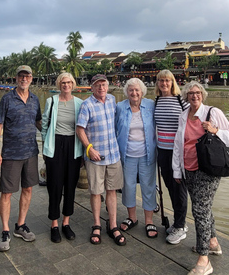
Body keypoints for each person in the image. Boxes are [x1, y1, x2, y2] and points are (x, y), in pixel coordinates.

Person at [173, 81, 229, 275]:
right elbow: (179, 145)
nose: (194, 96)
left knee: (199, 210)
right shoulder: (184, 115)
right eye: (190, 93)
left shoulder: (213, 113)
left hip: (208, 169)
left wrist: (215, 130)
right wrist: (177, 170)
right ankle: (213, 242)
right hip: (189, 168)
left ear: (203, 94)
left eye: (197, 92)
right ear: (186, 96)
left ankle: (203, 259)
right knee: (204, 208)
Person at [0, 65, 42, 252]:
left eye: (27, 75)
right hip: (11, 154)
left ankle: (20, 225)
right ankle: (5, 230)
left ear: (31, 78)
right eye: (21, 76)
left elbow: (38, 122)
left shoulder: (35, 99)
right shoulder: (7, 99)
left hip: (31, 152)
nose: (24, 79)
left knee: (27, 189)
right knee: (7, 192)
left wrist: (53, 133)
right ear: (16, 78)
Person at [76, 74, 125, 246]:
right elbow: (80, 129)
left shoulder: (112, 100)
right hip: (96, 156)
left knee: (112, 191)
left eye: (103, 85)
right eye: (97, 85)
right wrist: (89, 148)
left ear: (108, 86)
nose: (101, 88)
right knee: (96, 192)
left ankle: (112, 224)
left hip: (113, 155)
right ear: (92, 87)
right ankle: (96, 223)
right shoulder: (86, 105)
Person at [41, 72, 83, 243]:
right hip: (55, 144)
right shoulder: (51, 102)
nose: (66, 85)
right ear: (59, 84)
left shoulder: (80, 103)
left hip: (73, 146)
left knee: (70, 186)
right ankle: (54, 224)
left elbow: (83, 126)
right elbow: (44, 125)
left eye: (69, 82)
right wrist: (46, 146)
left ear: (73, 84)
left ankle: (66, 222)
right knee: (55, 185)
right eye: (63, 83)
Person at [115, 78, 158, 239]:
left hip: (147, 154)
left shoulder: (151, 106)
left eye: (137, 90)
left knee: (148, 186)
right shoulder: (120, 107)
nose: (134, 93)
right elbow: (113, 128)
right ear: (127, 92)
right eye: (131, 90)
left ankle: (149, 220)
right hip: (127, 154)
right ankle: (132, 217)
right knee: (128, 186)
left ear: (142, 92)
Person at [153, 69, 190, 244]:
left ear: (172, 82)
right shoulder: (157, 101)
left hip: (178, 152)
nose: (164, 83)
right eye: (161, 81)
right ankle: (178, 222)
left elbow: (193, 120)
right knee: (170, 187)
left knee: (179, 188)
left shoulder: (181, 101)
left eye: (167, 80)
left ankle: (181, 226)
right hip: (162, 150)